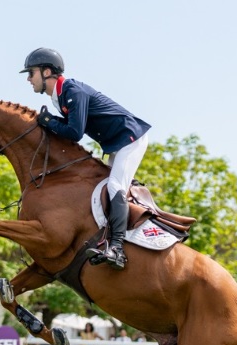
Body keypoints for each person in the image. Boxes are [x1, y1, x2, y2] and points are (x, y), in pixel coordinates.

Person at [21, 47, 151, 270]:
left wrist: (48, 121)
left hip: (130, 138)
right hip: (116, 143)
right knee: (105, 187)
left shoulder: (72, 91)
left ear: (46, 72)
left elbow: (74, 133)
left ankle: (117, 249)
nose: (29, 79)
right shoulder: (59, 96)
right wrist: (49, 121)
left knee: (115, 186)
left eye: (31, 73)